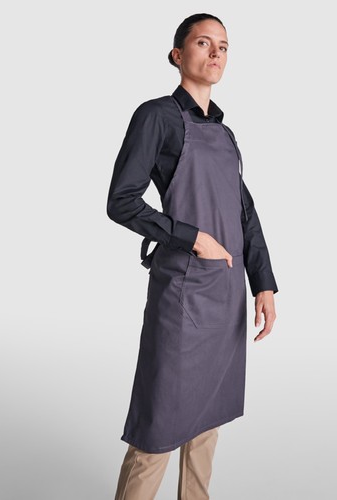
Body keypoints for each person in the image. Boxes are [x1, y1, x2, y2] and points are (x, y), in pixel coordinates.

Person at [107, 13, 279, 499]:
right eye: (203, 43)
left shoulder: (225, 134)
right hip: (182, 293)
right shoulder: (157, 116)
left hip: (224, 295)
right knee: (158, 426)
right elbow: (121, 201)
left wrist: (264, 283)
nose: (216, 52)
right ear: (178, 55)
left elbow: (244, 212)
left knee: (206, 424)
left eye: (223, 45)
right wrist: (192, 237)